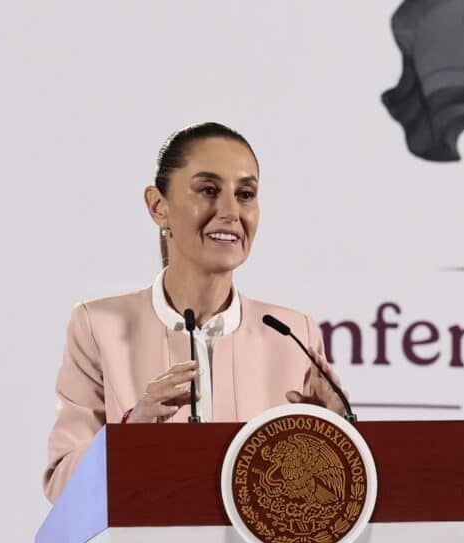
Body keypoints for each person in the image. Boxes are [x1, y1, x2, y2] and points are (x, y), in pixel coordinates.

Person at [43, 122, 346, 502]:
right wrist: (131, 436)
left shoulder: (291, 333)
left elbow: (320, 497)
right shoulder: (98, 326)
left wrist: (339, 434)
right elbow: (61, 485)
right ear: (158, 206)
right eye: (208, 191)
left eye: (246, 194)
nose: (231, 212)